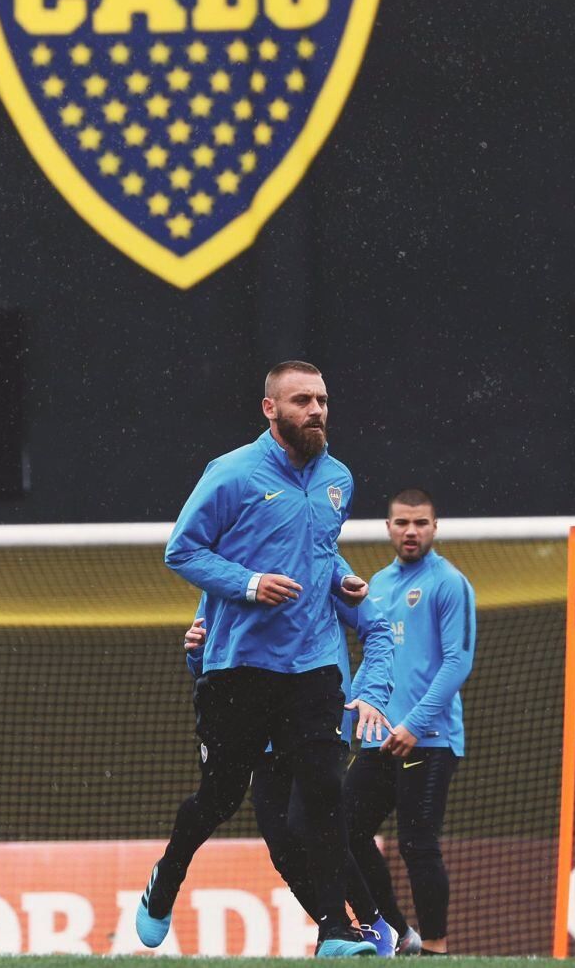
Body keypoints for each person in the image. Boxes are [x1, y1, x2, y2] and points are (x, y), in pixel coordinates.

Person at [136, 360, 379, 957]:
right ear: (270, 409)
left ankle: (336, 932)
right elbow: (182, 551)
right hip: (239, 664)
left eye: (322, 399)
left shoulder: (339, 479)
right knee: (220, 797)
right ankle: (165, 879)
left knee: (323, 788)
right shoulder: (231, 474)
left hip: (315, 661)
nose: (316, 410)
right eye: (301, 401)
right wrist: (249, 584)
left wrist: (343, 579)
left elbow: (319, 552)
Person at [183, 591, 398, 956]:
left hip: (317, 717)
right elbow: (214, 660)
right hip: (261, 730)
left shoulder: (319, 558)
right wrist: (196, 651)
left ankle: (375, 925)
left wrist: (371, 691)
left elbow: (376, 628)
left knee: (308, 822)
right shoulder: (220, 580)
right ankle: (344, 934)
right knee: (282, 845)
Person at [343, 488, 476, 957]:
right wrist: (356, 710)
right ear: (388, 528)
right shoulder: (376, 584)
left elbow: (457, 662)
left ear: (435, 528)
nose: (411, 531)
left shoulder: (449, 583)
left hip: (430, 739)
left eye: (421, 523)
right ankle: (399, 934)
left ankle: (437, 950)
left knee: (417, 844)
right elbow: (374, 658)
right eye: (402, 523)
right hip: (382, 738)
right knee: (343, 828)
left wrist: (415, 724)